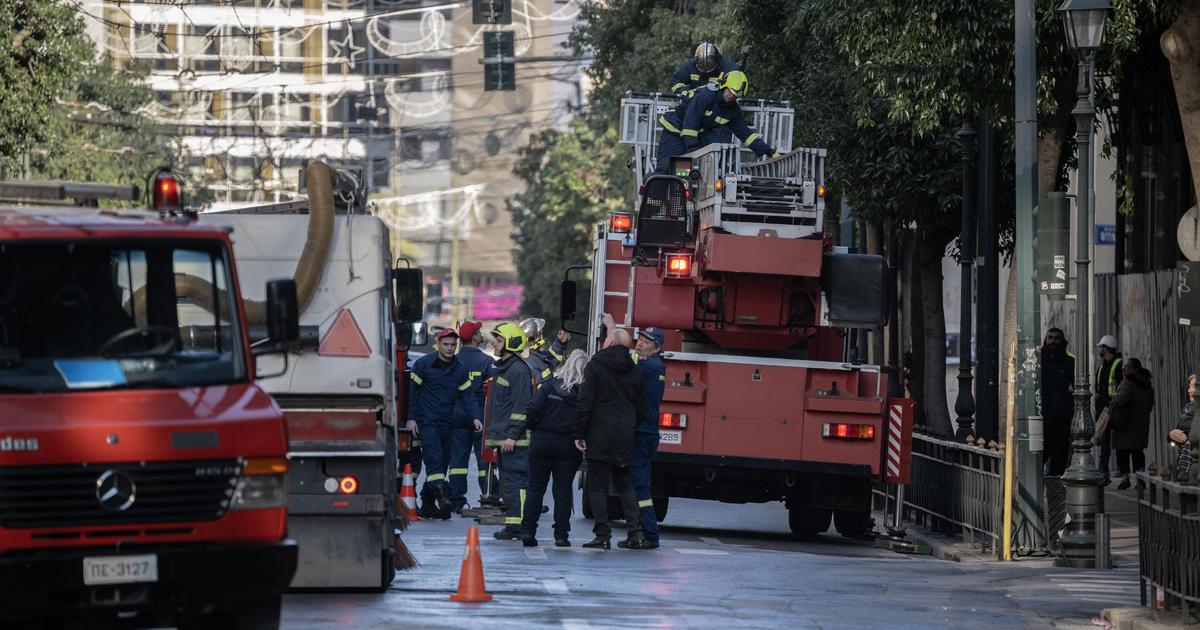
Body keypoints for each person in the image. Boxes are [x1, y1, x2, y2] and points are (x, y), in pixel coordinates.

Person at [574, 328, 647, 550]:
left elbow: (585, 402)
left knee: (597, 485)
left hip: (599, 432)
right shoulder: (635, 371)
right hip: (624, 433)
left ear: (610, 343)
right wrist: (631, 426)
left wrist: (579, 433)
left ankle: (602, 534)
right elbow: (642, 407)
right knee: (625, 484)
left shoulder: (595, 366)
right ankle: (636, 533)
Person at [407, 328, 481, 519]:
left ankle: (428, 503)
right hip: (427, 422)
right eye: (446, 344)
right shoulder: (423, 365)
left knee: (443, 463)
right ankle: (443, 499)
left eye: (452, 345)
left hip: (447, 423)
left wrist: (475, 417)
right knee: (434, 461)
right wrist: (411, 418)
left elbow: (467, 397)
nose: (449, 348)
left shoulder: (460, 369)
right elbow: (412, 395)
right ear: (438, 344)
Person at [520, 350, 589, 547]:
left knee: (535, 487)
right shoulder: (584, 393)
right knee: (563, 489)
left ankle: (528, 530)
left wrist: (534, 427)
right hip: (568, 445)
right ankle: (561, 534)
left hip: (542, 441)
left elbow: (533, 410)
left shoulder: (549, 386)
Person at [655, 71, 780, 174]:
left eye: (735, 95)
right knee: (665, 167)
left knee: (719, 145)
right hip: (675, 128)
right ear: (724, 85)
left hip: (699, 133)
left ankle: (716, 178)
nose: (731, 96)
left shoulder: (732, 110)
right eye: (730, 91)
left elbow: (746, 135)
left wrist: (769, 151)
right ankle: (653, 200)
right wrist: (695, 152)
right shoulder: (707, 96)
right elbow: (690, 124)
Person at [485, 323, 536, 540]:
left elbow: (521, 407)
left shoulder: (517, 370)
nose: (493, 344)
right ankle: (514, 525)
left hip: (514, 440)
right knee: (509, 483)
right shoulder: (507, 368)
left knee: (517, 483)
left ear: (510, 343)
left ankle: (520, 526)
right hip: (506, 438)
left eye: (498, 340)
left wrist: (512, 436)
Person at [448, 321, 497, 515]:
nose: (481, 335)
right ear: (475, 337)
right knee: (484, 459)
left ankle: (456, 499)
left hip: (456, 414)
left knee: (457, 461)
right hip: (480, 414)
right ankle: (489, 495)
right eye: (478, 332)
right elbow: (494, 389)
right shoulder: (486, 361)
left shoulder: (454, 359)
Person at [627, 320, 666, 550]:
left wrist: (612, 332)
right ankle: (639, 532)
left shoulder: (649, 366)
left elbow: (622, 362)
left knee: (640, 486)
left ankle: (650, 534)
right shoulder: (654, 365)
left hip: (643, 433)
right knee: (636, 483)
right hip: (645, 432)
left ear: (657, 347)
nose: (640, 343)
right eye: (639, 339)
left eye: (647, 341)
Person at [1109, 357, 1154, 490]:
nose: (1124, 368)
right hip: (1140, 426)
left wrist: (1114, 397)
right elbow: (1150, 405)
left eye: (1127, 367)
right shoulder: (1147, 385)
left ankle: (1125, 479)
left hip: (1125, 425)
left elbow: (1121, 400)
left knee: (1122, 452)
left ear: (1135, 369)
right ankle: (1140, 480)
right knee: (1137, 453)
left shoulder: (1127, 383)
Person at [1039, 327, 1075, 477]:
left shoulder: (1070, 362)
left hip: (1061, 422)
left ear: (1062, 341)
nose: (1053, 341)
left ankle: (1055, 499)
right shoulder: (1037, 361)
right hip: (1040, 421)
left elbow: (1076, 389)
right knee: (1037, 461)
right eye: (1050, 338)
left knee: (1058, 464)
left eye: (1057, 338)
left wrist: (1067, 408)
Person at [1094, 335, 1124, 485]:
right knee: (1104, 440)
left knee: (1118, 439)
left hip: (1116, 408)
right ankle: (1103, 470)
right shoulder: (1101, 367)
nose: (1099, 349)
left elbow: (1121, 386)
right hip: (1104, 410)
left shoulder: (1118, 364)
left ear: (1106, 348)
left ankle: (1120, 469)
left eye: (1101, 347)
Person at [668, 42, 740, 101]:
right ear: (696, 60)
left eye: (710, 63)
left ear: (717, 59)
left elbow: (736, 88)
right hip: (693, 103)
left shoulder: (729, 68)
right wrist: (683, 92)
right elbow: (675, 80)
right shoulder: (690, 65)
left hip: (718, 107)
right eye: (702, 64)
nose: (706, 67)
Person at [521, 318, 568, 385]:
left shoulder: (536, 355)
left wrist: (560, 343)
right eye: (541, 334)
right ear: (535, 338)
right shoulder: (533, 361)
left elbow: (551, 358)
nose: (543, 337)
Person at [1169, 375, 1196, 478]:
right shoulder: (1188, 407)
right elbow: (1179, 429)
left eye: (1194, 387)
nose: (1189, 390)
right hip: (1185, 455)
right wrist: (1171, 435)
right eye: (1189, 387)